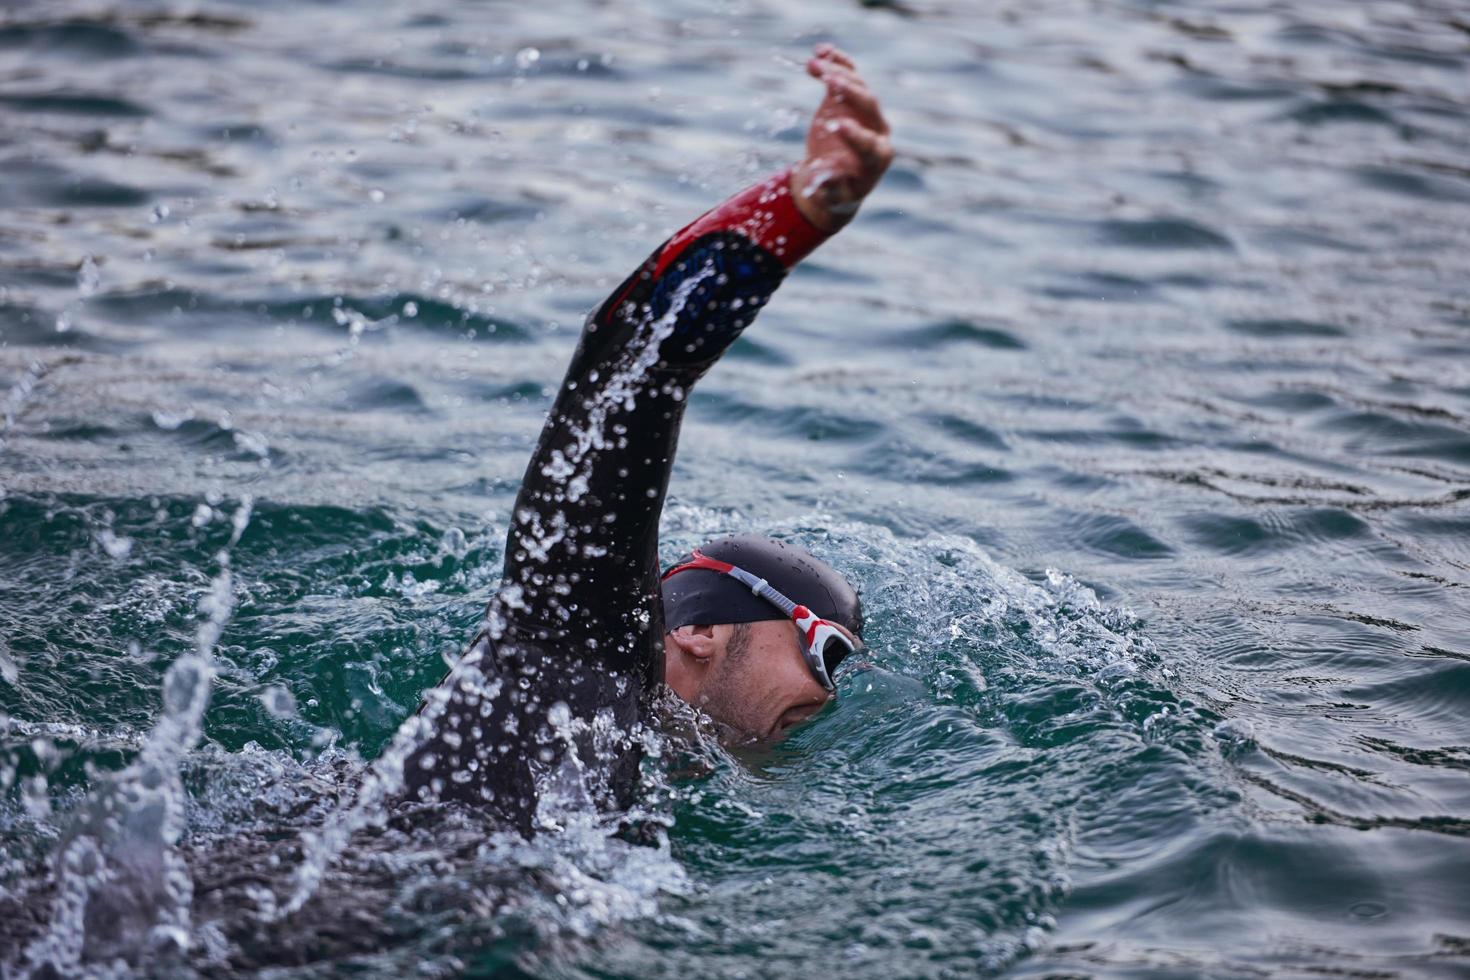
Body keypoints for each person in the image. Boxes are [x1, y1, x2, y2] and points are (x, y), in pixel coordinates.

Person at [400, 44, 892, 835]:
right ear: (699, 631)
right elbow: (628, 375)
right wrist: (794, 216)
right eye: (825, 651)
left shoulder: (634, 775)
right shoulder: (574, 652)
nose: (830, 695)